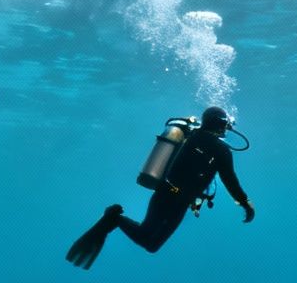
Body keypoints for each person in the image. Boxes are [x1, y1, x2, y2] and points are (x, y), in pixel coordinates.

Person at [66, 106, 253, 269]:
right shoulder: (221, 150)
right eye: (226, 124)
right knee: (151, 244)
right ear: (220, 124)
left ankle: (114, 219)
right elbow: (230, 180)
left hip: (165, 193)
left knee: (150, 242)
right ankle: (114, 219)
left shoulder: (192, 136)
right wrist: (245, 203)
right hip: (177, 200)